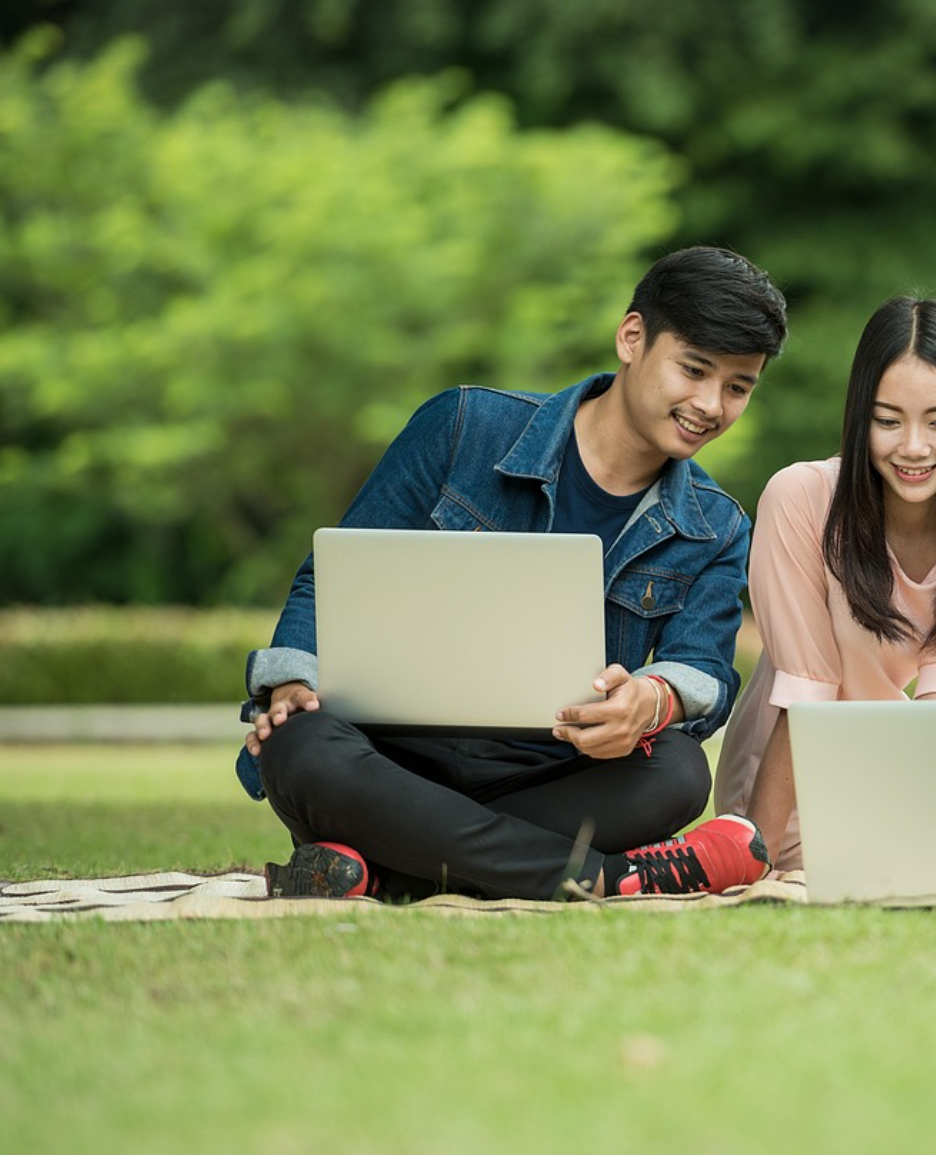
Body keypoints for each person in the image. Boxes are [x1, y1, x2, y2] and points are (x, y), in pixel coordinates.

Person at [236, 246, 789, 901]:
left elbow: (702, 670)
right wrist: (294, 681)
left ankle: (385, 866)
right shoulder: (462, 425)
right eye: (693, 370)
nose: (710, 403)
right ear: (631, 337)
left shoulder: (716, 524)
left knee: (677, 772)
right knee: (298, 745)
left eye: (737, 387)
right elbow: (329, 581)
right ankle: (607, 877)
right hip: (385, 756)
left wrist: (651, 700)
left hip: (552, 772)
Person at [709, 296, 936, 875]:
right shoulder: (801, 498)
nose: (913, 447)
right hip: (784, 781)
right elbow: (805, 693)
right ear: (859, 415)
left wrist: (926, 820)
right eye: (887, 421)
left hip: (896, 760)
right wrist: (754, 860)